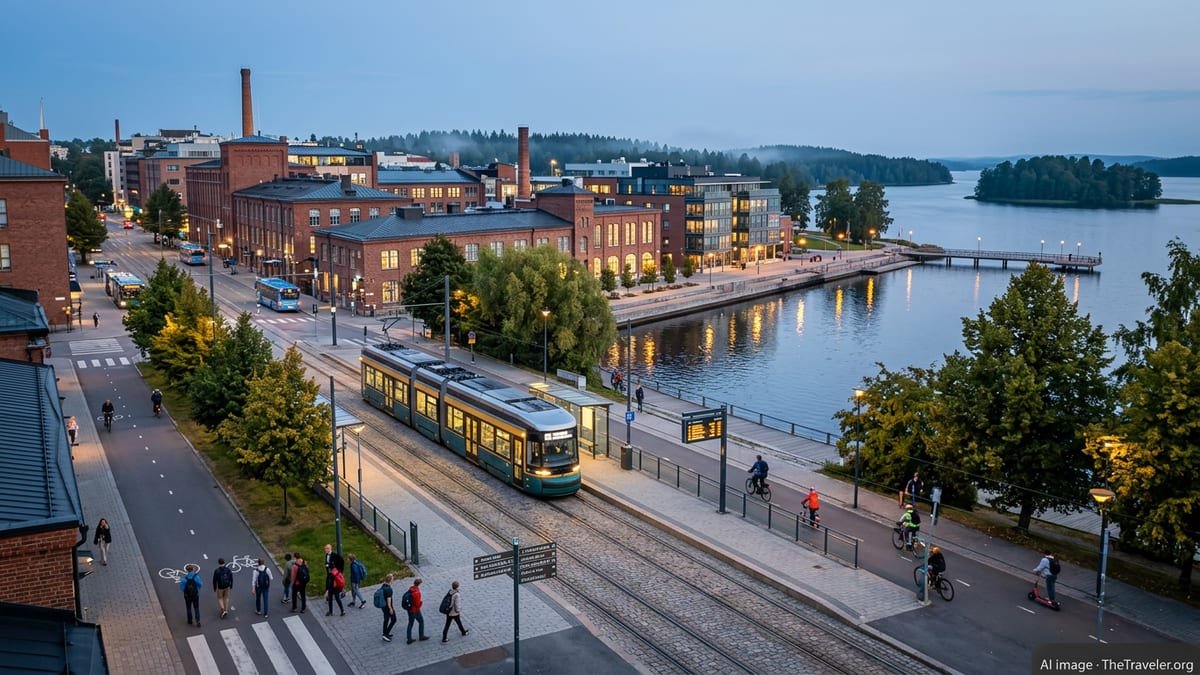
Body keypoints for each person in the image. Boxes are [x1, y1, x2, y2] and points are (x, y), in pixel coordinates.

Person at [405, 577, 429, 644]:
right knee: (421, 621)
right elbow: (417, 604)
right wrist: (421, 603)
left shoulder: (410, 589)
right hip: (415, 610)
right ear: (419, 584)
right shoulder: (417, 592)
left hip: (409, 609)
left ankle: (409, 638)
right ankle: (421, 636)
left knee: (410, 623)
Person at [381, 573, 397, 642]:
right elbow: (389, 600)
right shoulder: (389, 589)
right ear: (390, 580)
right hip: (388, 607)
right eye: (393, 579)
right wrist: (390, 608)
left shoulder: (383, 586)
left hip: (383, 606)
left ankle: (385, 632)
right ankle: (385, 634)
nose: (393, 580)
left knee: (386, 619)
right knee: (394, 619)